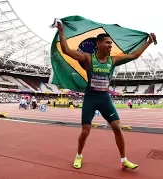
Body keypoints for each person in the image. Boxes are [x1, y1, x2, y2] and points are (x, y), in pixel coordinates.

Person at [56, 22, 156, 170]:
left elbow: (134, 55)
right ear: (99, 44)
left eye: (111, 43)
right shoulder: (88, 58)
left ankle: (124, 160)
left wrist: (149, 42)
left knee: (117, 127)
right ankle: (78, 156)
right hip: (90, 98)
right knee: (85, 131)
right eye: (108, 43)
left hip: (104, 99)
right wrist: (61, 30)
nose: (110, 46)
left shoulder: (112, 60)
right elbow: (65, 50)